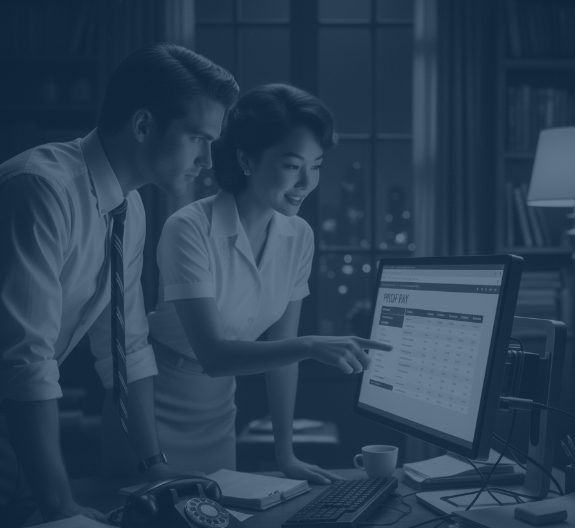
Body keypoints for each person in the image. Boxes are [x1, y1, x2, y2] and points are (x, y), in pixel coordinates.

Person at [0, 43, 239, 525]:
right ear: (144, 125)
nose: (208, 159)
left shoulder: (128, 208)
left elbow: (126, 349)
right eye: (197, 138)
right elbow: (25, 358)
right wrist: (59, 504)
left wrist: (154, 468)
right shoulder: (40, 189)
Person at [142, 83, 392, 484]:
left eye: (317, 165)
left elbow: (282, 358)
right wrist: (312, 345)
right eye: (292, 165)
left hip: (220, 407)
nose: (307, 182)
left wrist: (286, 455)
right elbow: (215, 356)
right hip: (154, 403)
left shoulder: (299, 236)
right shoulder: (189, 228)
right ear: (246, 159)